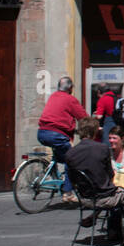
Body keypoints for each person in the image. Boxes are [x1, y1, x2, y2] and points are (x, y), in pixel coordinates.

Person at [66, 116, 124, 237]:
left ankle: (95, 218)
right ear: (95, 132)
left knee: (105, 190)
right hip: (105, 197)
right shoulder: (102, 149)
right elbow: (110, 174)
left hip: (84, 198)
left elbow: (72, 179)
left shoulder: (70, 153)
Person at [37, 75, 87, 204]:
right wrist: (94, 127)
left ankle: (57, 177)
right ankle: (68, 193)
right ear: (70, 88)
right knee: (71, 159)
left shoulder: (53, 96)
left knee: (62, 156)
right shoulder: (70, 99)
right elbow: (83, 118)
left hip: (42, 132)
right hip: (56, 134)